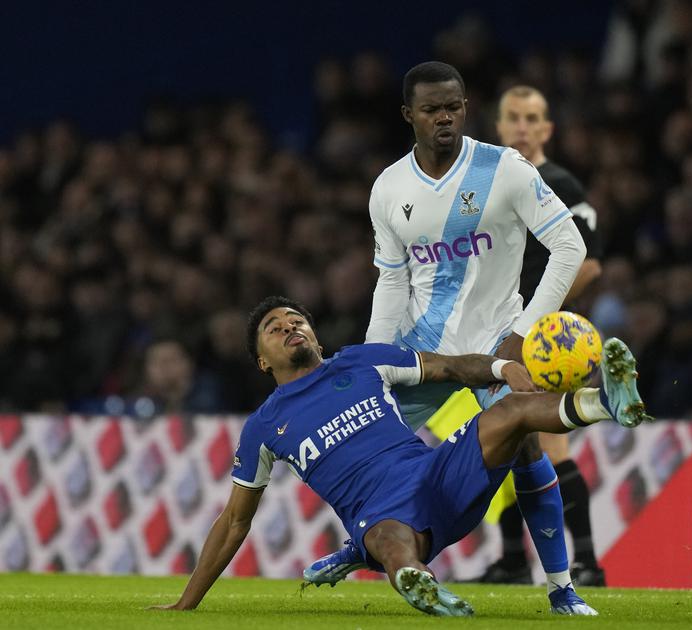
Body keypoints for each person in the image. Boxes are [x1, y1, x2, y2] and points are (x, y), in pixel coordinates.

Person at [148, 296, 648, 617]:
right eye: (275, 329)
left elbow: (450, 366)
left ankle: (608, 402)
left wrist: (499, 366)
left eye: (296, 320)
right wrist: (186, 603)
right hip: (380, 514)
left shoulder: (363, 361)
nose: (290, 327)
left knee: (512, 414)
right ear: (262, 361)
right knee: (388, 540)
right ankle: (421, 586)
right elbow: (235, 520)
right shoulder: (263, 426)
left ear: (316, 336)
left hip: (435, 473)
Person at [305, 62, 595, 613]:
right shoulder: (389, 187)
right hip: (427, 351)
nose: (446, 117)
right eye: (433, 108)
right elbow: (392, 279)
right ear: (408, 115)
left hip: (497, 345)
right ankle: (361, 547)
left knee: (529, 450)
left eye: (455, 106)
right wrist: (374, 358)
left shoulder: (503, 169)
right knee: (358, 446)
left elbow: (570, 247)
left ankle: (562, 589)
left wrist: (523, 332)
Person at [470, 85, 606, 585]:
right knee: (508, 442)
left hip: (547, 341)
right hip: (493, 337)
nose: (522, 127)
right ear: (499, 127)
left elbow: (588, 266)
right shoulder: (490, 185)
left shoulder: (560, 184)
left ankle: (589, 563)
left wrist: (538, 325)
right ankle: (510, 560)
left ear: (547, 129)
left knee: (551, 447)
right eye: (513, 118)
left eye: (532, 118)